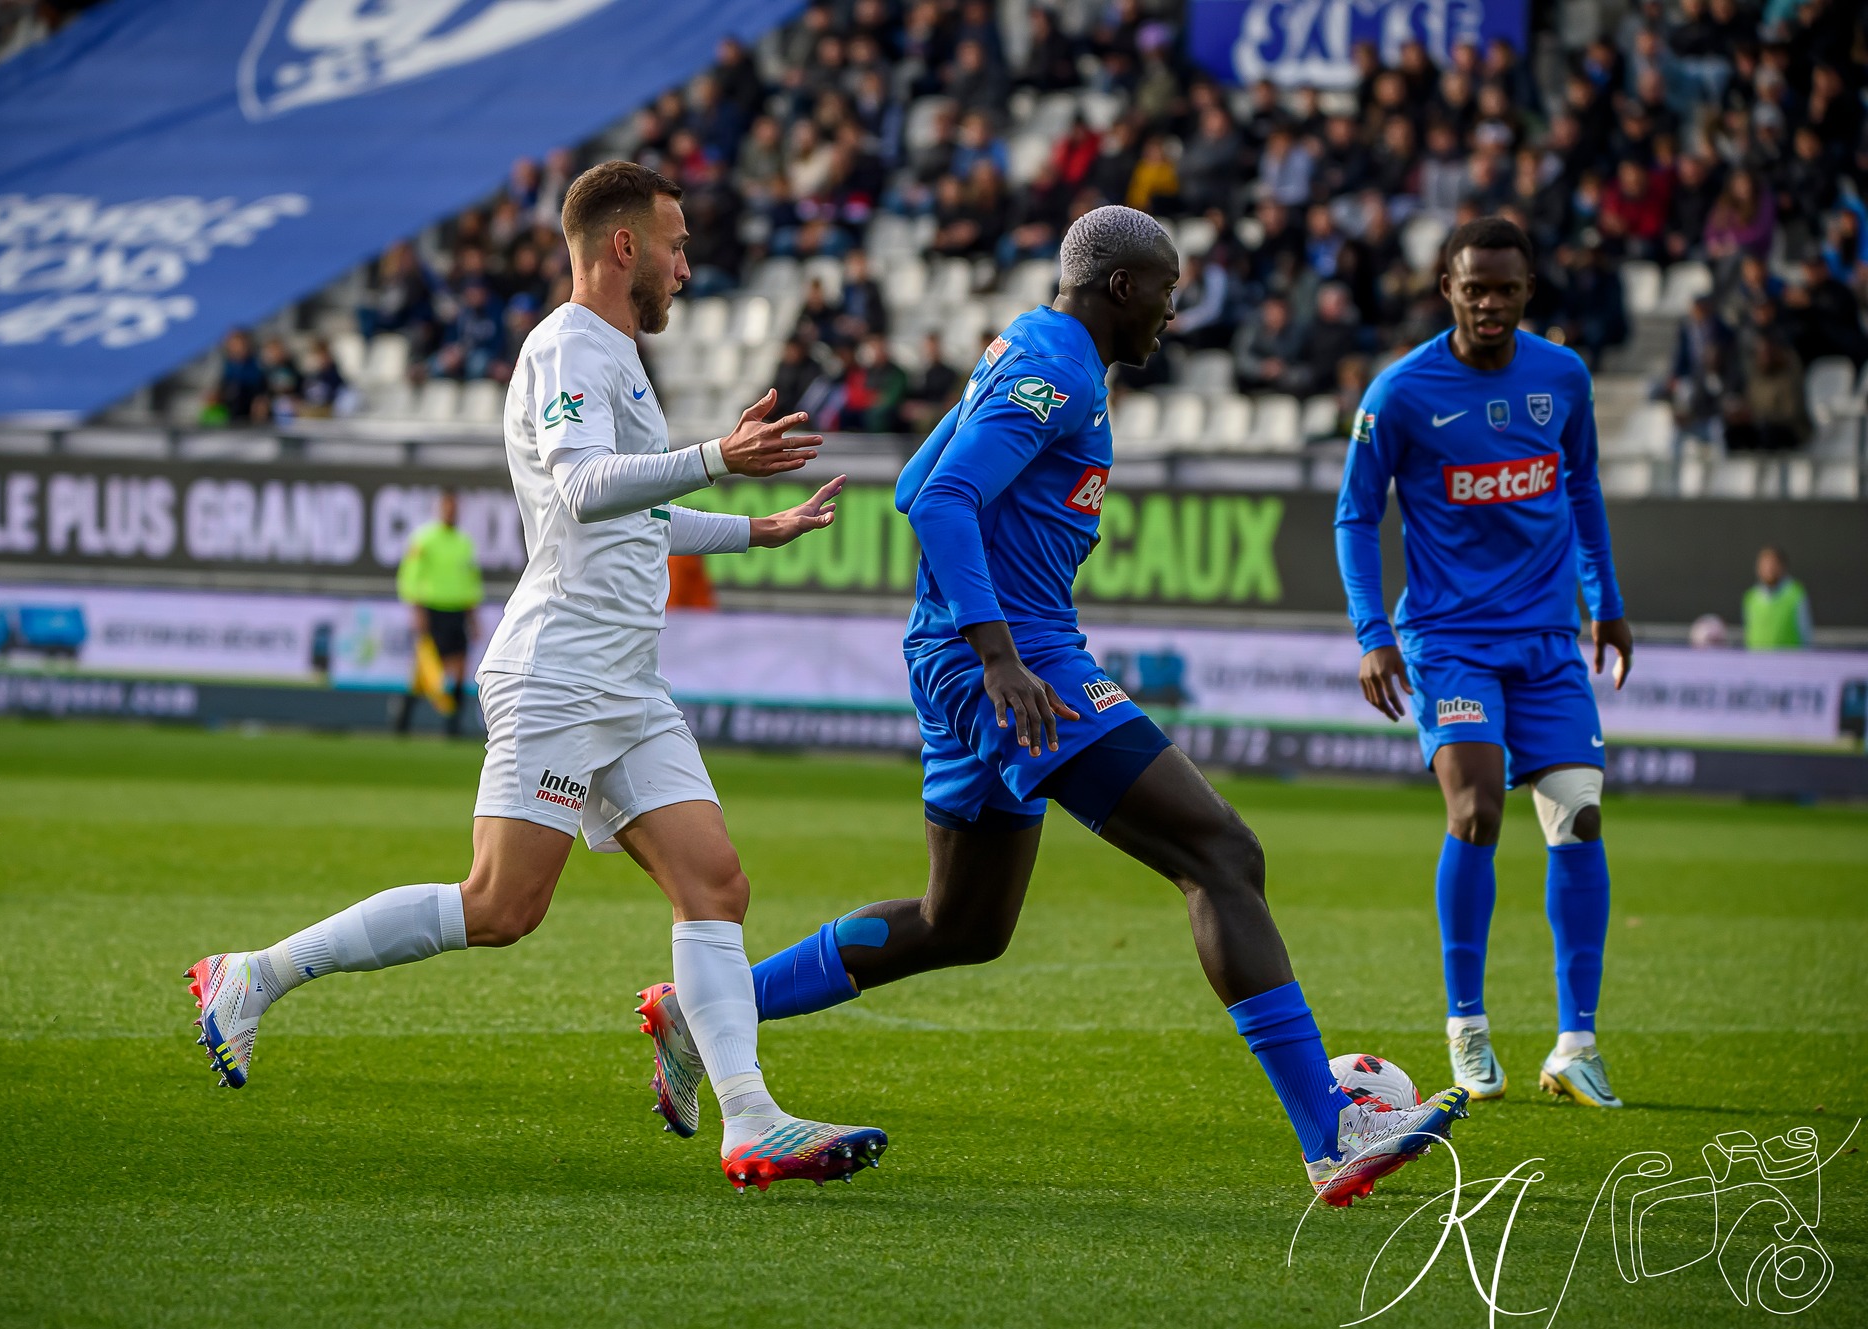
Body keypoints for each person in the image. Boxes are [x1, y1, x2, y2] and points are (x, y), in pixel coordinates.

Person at [634, 206, 1471, 1207]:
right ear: (1120, 287)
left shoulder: (1031, 350)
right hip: (1015, 661)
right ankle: (1329, 1126)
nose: (1172, 310)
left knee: (964, 920)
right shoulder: (1057, 365)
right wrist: (999, 653)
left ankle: (704, 1007)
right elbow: (942, 501)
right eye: (1164, 290)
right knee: (1219, 853)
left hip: (967, 654)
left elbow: (912, 482)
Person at [185, 162, 881, 1194]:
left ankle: (752, 1120)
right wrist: (715, 456)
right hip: (557, 668)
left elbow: (637, 512)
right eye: (677, 244)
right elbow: (584, 484)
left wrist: (752, 529)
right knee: (501, 905)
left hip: (626, 679)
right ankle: (254, 974)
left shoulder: (619, 357)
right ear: (622, 247)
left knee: (715, 883)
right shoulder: (567, 345)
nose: (688, 266)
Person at [1336, 216, 1634, 1111]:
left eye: (1506, 288)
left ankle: (1576, 1042)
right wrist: (1370, 632)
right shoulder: (1401, 392)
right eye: (1476, 288)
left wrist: (1607, 603)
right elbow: (1356, 515)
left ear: (1528, 289)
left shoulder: (1563, 377)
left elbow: (1581, 487)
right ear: (1448, 290)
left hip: (1546, 640)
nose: (1491, 303)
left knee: (1578, 818)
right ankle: (1466, 1024)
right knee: (1476, 812)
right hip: (1449, 639)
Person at [394, 490, 482, 737]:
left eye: (455, 507)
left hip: (458, 611)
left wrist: (473, 618)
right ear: (439, 508)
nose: (451, 511)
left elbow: (471, 582)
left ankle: (452, 726)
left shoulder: (464, 543)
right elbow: (410, 576)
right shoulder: (424, 540)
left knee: (461, 669)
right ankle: (404, 715)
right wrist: (417, 609)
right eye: (447, 507)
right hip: (433, 610)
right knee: (429, 671)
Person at [1742, 546, 1812, 650]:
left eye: (1773, 564)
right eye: (1764, 564)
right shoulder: (1750, 597)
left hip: (1790, 662)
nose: (1769, 569)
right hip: (1757, 663)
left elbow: (1805, 633)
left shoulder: (1795, 594)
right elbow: (1748, 633)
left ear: (1782, 566)